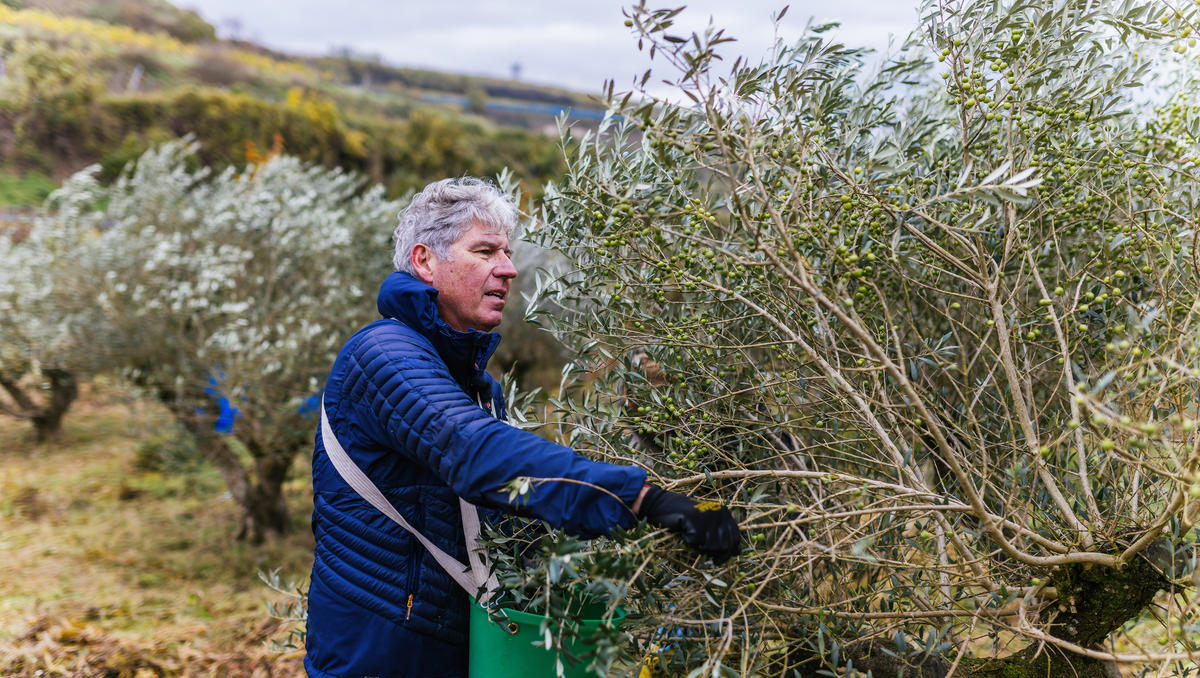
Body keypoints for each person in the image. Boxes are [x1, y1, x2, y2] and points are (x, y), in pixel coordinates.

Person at [304, 177, 741, 678]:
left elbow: (510, 499)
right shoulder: (383, 355)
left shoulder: (477, 387)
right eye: (485, 251)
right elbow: (479, 455)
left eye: (507, 253)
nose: (508, 269)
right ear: (425, 262)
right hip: (379, 659)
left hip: (455, 650)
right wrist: (641, 499)